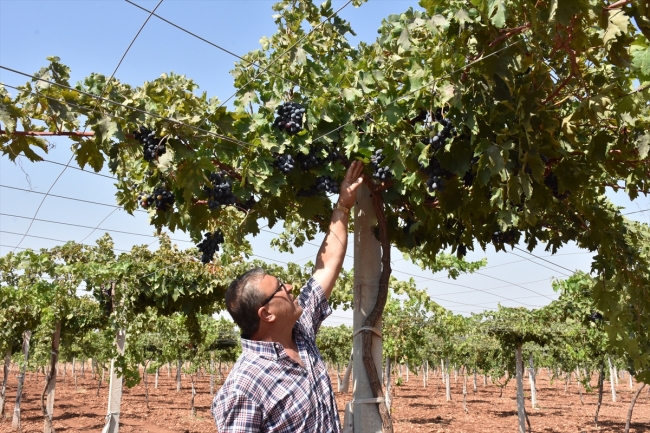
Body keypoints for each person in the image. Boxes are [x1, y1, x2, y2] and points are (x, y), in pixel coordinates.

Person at [211, 161, 364, 433]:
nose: (291, 287)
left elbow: (327, 265)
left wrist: (343, 205)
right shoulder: (245, 387)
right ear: (266, 313)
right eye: (280, 288)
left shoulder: (300, 333)